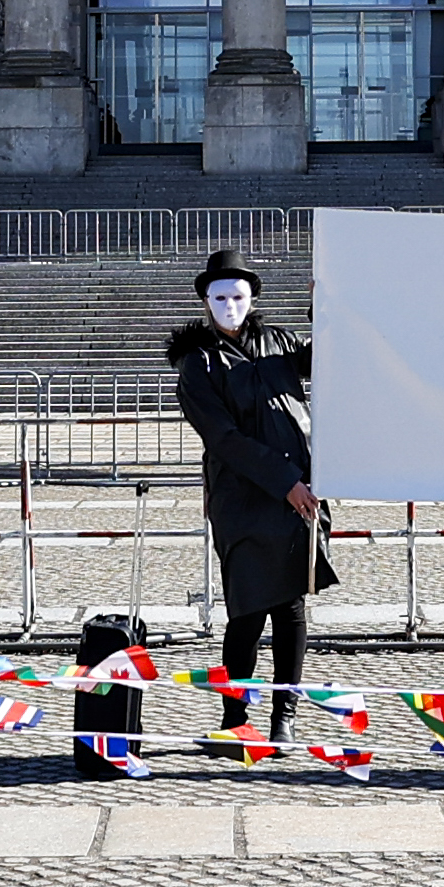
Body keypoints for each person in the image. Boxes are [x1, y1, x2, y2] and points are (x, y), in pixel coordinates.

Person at [170, 249, 329, 746]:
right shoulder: (198, 363)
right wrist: (284, 481)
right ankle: (235, 715)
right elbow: (224, 438)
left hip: (299, 492)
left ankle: (286, 713)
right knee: (246, 611)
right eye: (219, 297)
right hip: (244, 497)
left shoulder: (278, 339)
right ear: (205, 301)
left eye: (238, 296)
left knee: (291, 607)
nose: (230, 305)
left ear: (253, 297)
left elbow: (324, 358)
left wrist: (323, 308)